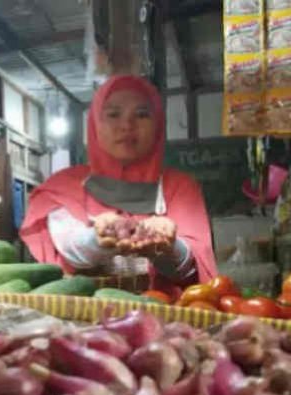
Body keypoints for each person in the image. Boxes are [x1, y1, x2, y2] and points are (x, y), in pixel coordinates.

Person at [20, 75, 217, 294]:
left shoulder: (180, 187)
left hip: (163, 314)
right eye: (113, 114)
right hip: (81, 318)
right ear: (95, 124)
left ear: (158, 126)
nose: (126, 125)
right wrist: (98, 238)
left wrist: (166, 246)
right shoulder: (63, 185)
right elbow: (69, 249)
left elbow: (192, 268)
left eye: (142, 115)